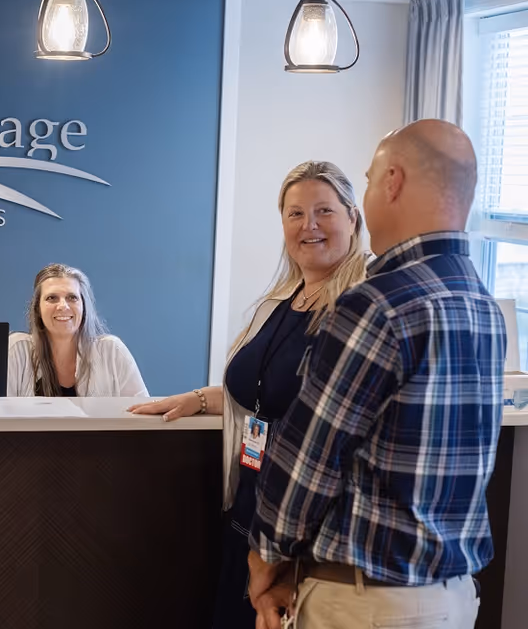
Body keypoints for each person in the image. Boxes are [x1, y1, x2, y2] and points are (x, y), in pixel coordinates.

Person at [247, 120, 505, 629]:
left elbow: (310, 459)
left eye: (367, 181)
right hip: (453, 598)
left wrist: (265, 560)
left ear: (392, 182)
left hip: (367, 601)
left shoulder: (378, 304)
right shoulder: (484, 305)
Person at [129, 160, 366, 628]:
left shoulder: (360, 308)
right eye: (295, 213)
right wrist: (199, 399)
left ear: (353, 218)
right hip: (252, 504)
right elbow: (264, 392)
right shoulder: (281, 301)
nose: (309, 226)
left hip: (307, 530)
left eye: (325, 211)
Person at [7, 263, 148, 397]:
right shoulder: (15, 350)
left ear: (84, 307)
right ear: (38, 309)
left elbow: (142, 415)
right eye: (52, 298)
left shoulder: (112, 351)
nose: (63, 306)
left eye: (72, 298)